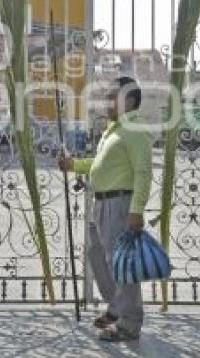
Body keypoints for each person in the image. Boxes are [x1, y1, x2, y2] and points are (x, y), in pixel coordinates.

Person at [58, 77, 153, 342]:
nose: (107, 101)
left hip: (120, 204)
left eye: (113, 96)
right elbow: (99, 164)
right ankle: (116, 307)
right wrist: (73, 165)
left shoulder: (134, 130)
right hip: (101, 203)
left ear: (130, 101)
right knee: (96, 254)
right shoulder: (114, 130)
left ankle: (129, 324)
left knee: (123, 265)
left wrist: (136, 211)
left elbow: (144, 172)